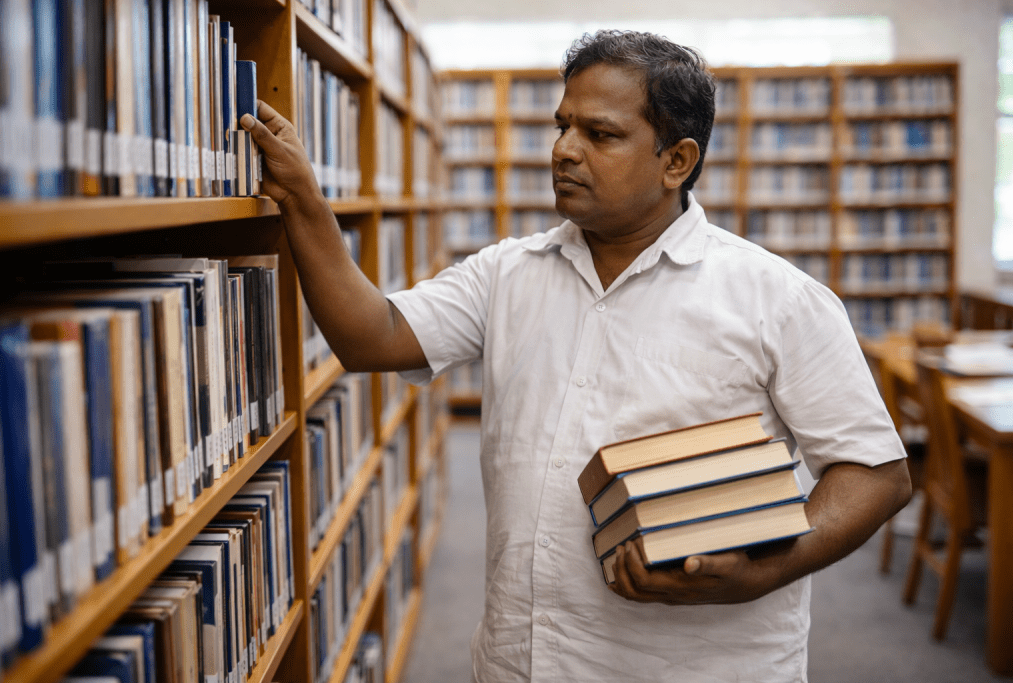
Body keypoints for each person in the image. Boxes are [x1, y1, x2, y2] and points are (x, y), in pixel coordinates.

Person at [241, 30, 912, 683]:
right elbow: (372, 334)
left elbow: (875, 473)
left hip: (699, 664)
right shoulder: (507, 274)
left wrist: (765, 571)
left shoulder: (778, 299)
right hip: (522, 659)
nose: (564, 150)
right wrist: (303, 199)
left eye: (601, 134)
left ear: (676, 162)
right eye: (562, 126)